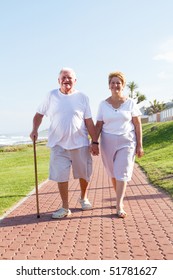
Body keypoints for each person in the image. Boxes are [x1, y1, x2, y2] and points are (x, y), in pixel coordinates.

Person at [30, 67, 99, 219]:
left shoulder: (83, 97)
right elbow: (38, 115)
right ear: (58, 80)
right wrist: (35, 129)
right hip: (58, 144)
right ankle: (65, 207)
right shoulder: (51, 96)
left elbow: (88, 121)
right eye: (63, 77)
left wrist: (94, 142)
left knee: (84, 174)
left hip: (79, 142)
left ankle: (83, 197)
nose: (66, 80)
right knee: (61, 175)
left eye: (69, 78)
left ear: (75, 81)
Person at [95, 71, 144, 218]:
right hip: (107, 141)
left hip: (127, 141)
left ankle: (119, 204)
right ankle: (119, 197)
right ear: (109, 85)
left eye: (118, 82)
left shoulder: (130, 103)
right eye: (113, 82)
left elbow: (137, 124)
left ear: (123, 85)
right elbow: (98, 125)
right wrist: (94, 142)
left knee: (122, 172)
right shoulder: (103, 105)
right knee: (113, 173)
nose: (115, 85)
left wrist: (140, 145)